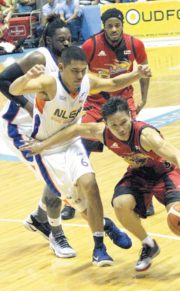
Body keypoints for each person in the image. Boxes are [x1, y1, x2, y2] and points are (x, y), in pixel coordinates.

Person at [22, 96, 180, 274]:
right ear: (106, 123)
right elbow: (74, 130)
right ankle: (148, 245)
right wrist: (43, 145)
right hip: (138, 174)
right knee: (120, 205)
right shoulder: (102, 132)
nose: (120, 129)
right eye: (114, 125)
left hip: (165, 173)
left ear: (130, 116)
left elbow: (177, 154)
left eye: (124, 122)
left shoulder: (146, 135)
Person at [0, 15, 133, 261]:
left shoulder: (74, 67)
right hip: (21, 128)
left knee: (66, 181)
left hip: (53, 127)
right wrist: (28, 107)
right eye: (61, 40)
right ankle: (56, 232)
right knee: (55, 182)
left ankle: (41, 217)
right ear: (49, 40)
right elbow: (4, 80)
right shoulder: (40, 58)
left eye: (69, 39)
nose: (65, 43)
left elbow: (109, 82)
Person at [61, 7, 153, 219]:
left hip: (122, 102)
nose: (113, 29)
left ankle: (144, 197)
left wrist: (144, 98)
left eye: (117, 25)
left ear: (122, 25)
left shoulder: (135, 44)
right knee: (79, 149)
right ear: (104, 26)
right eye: (109, 25)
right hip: (95, 102)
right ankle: (72, 199)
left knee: (136, 149)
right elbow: (76, 71)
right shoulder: (90, 45)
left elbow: (145, 72)